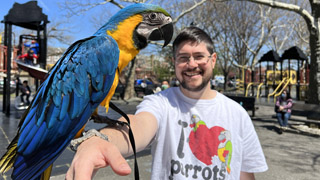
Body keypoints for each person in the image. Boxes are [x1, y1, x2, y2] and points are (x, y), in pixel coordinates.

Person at [66, 27, 268, 179]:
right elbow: (139, 124)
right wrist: (101, 140)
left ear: (213, 60)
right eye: (183, 58)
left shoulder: (236, 113)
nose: (191, 64)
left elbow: (245, 173)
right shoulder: (160, 103)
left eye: (199, 57)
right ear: (174, 63)